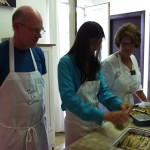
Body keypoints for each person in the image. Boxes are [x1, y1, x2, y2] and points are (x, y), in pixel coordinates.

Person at [57, 21, 132, 147]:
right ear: (82, 42)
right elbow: (69, 99)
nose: (96, 47)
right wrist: (104, 115)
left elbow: (103, 92)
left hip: (95, 123)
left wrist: (119, 104)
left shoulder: (94, 63)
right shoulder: (66, 63)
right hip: (76, 125)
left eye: (99, 43)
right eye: (93, 43)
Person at [0, 6, 49, 150]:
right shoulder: (1, 54)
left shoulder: (39, 54)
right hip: (10, 138)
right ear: (16, 27)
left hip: (38, 132)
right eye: (35, 30)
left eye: (41, 30)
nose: (39, 35)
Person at [101, 23, 149, 105]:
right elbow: (102, 93)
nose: (127, 47)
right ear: (119, 44)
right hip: (111, 112)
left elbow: (136, 86)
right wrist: (118, 106)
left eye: (130, 43)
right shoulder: (108, 63)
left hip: (128, 109)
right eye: (124, 43)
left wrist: (146, 102)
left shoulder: (133, 59)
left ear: (135, 44)